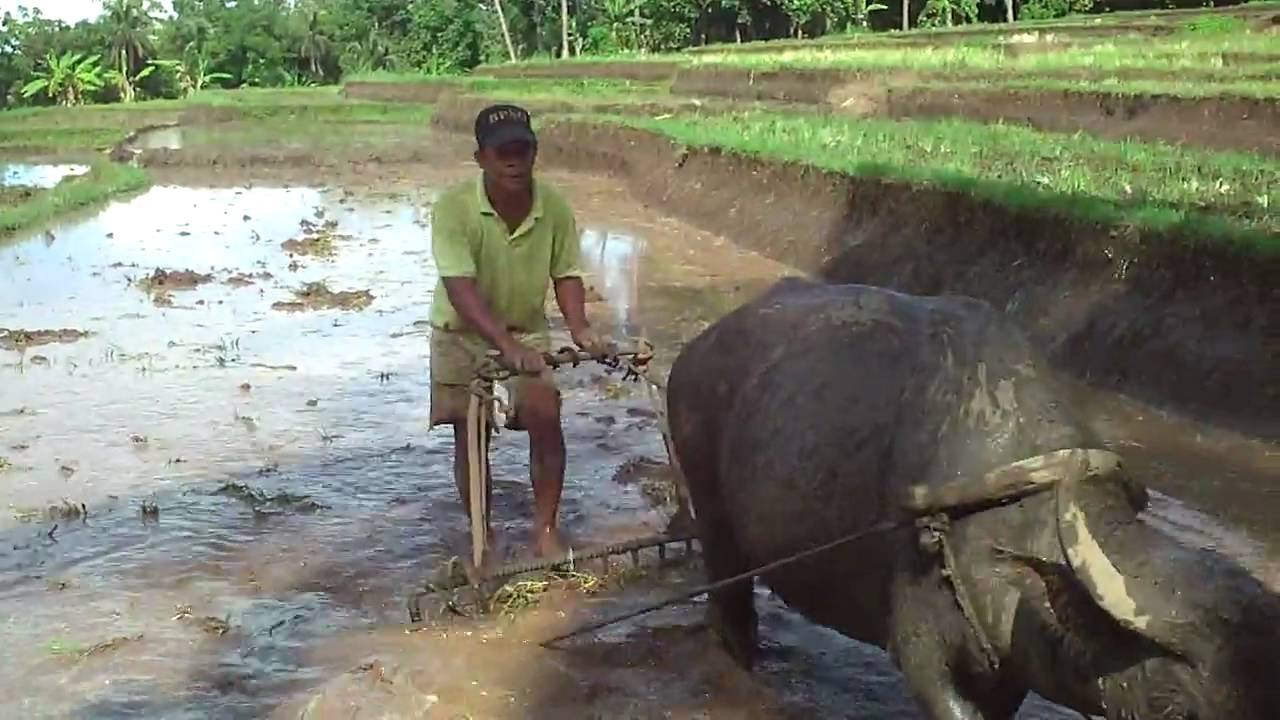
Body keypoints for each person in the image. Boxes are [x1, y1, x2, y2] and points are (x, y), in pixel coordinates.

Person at [428, 103, 613, 560]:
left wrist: (580, 328)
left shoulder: (553, 207)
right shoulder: (454, 209)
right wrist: (503, 345)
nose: (513, 161)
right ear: (481, 159)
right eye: (501, 152)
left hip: (526, 330)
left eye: (522, 150)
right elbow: (460, 288)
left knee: (545, 415)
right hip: (460, 331)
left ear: (534, 153)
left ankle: (545, 531)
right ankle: (482, 533)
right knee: (470, 433)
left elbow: (566, 273)